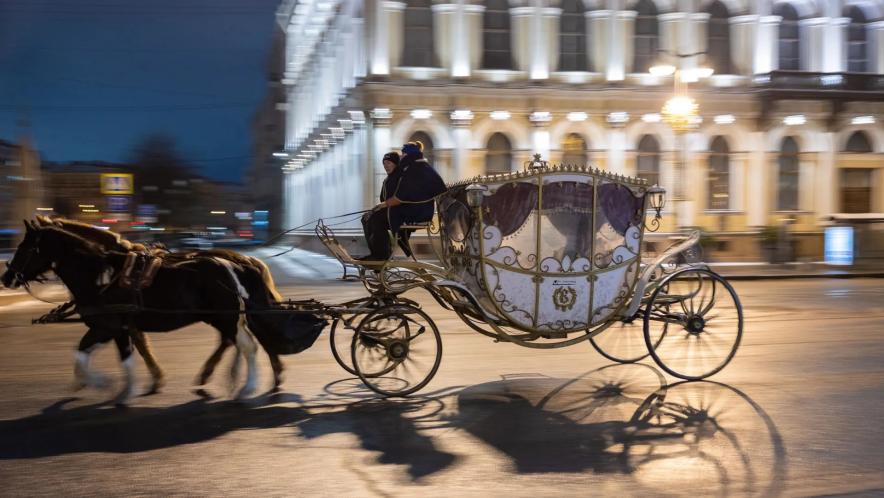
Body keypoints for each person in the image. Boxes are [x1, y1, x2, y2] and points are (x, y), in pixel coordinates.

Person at [359, 142, 447, 261]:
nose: (401, 157)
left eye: (403, 154)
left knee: (376, 219)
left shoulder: (414, 169)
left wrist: (383, 205)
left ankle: (381, 256)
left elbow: (401, 197)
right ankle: (379, 253)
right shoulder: (417, 167)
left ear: (410, 155)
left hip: (417, 212)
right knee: (372, 217)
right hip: (415, 210)